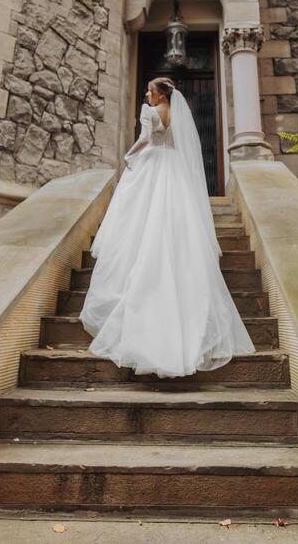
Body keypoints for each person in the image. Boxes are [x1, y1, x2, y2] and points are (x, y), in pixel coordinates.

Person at [79, 76, 255, 378]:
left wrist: (129, 156)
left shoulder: (151, 113)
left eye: (149, 91)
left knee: (144, 216)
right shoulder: (178, 114)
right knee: (174, 219)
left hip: (153, 165)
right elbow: (179, 146)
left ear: (160, 95)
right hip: (174, 170)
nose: (146, 95)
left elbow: (146, 139)